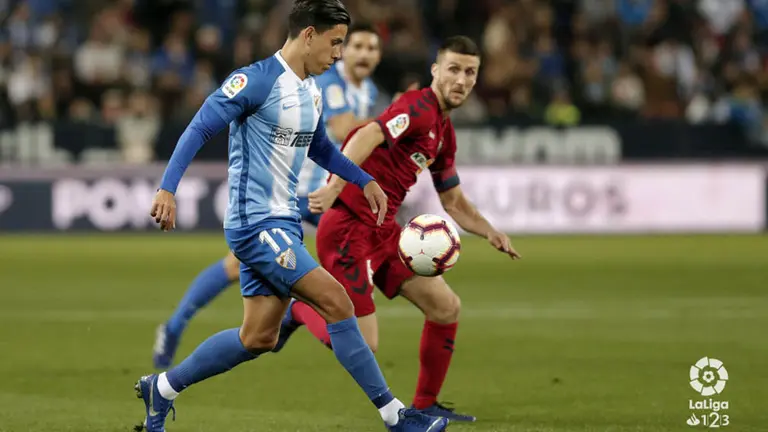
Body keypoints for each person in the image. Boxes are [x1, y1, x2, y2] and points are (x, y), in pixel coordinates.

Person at [134, 1, 449, 431]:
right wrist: (168, 188)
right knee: (338, 301)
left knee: (257, 337)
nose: (337, 54)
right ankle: (396, 417)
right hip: (254, 224)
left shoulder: (311, 90)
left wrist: (363, 180)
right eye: (335, 43)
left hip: (283, 224)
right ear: (308, 35)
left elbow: (320, 149)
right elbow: (200, 127)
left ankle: (162, 388)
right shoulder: (256, 81)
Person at [272, 35, 522, 423]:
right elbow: (366, 134)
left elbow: (452, 200)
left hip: (384, 230)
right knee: (365, 343)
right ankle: (302, 311)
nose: (461, 79)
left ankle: (424, 405)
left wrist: (490, 231)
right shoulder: (417, 106)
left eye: (469, 72)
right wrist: (336, 185)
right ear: (436, 71)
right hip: (348, 228)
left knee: (445, 307)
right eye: (453, 69)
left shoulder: (444, 132)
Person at [151, 22, 383, 371]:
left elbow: (325, 146)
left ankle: (307, 313)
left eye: (371, 48)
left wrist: (363, 178)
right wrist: (389, 122)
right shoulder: (325, 82)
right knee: (240, 266)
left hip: (324, 193)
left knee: (339, 273)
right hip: (289, 194)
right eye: (354, 46)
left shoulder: (358, 90)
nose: (362, 53)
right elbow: (343, 129)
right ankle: (175, 326)